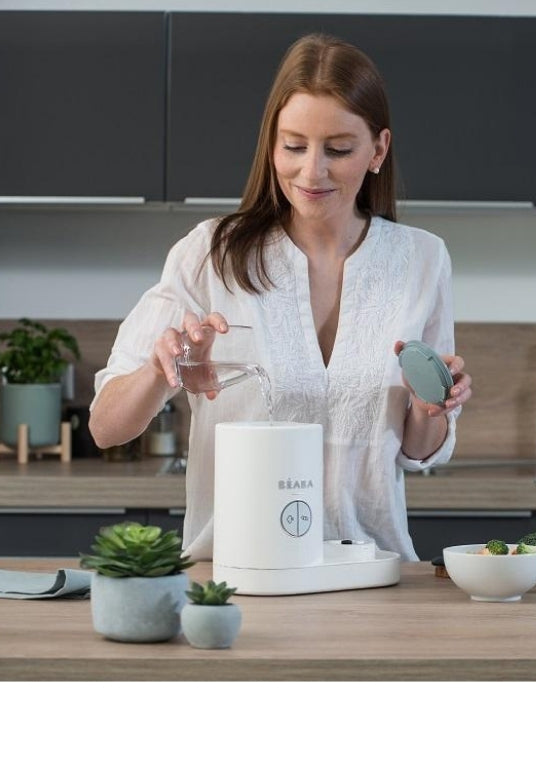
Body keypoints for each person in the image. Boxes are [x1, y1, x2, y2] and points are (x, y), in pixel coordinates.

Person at [89, 33, 472, 562]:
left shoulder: (422, 259)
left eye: (338, 149)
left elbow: (418, 450)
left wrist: (432, 408)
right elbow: (106, 428)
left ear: (378, 150)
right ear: (271, 145)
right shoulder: (210, 254)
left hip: (372, 573)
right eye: (293, 146)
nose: (311, 171)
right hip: (238, 575)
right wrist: (160, 369)